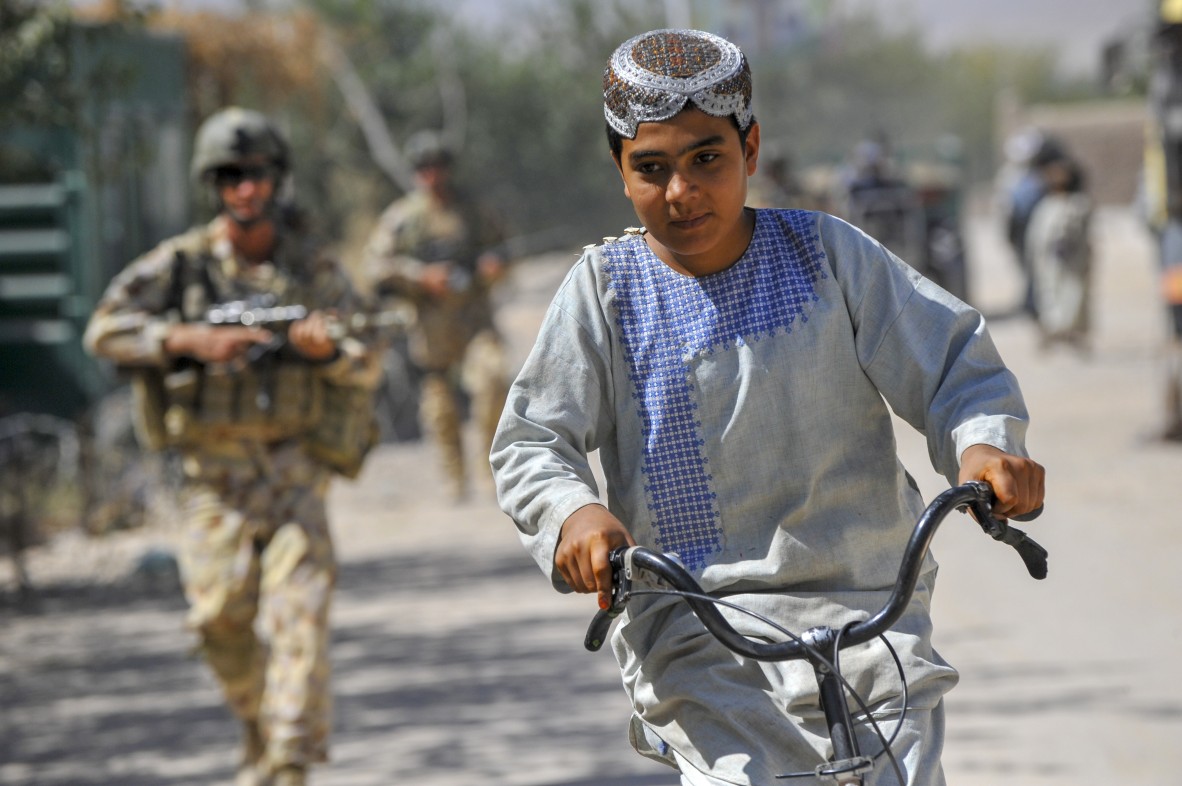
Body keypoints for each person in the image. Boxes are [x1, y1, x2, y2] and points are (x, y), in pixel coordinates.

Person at [490, 29, 1046, 786]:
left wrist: (983, 445)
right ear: (620, 170)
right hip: (701, 635)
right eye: (652, 168)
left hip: (869, 614)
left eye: (706, 159)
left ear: (750, 149)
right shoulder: (603, 292)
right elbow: (530, 442)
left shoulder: (830, 255)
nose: (681, 191)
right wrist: (572, 516)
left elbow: (953, 366)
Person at [84, 107, 381, 786]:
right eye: (230, 177)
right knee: (218, 621)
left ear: (277, 179)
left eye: (257, 175)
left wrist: (327, 351)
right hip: (213, 483)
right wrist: (186, 340)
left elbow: (369, 356)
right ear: (212, 185)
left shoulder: (313, 268)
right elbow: (103, 331)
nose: (245, 189)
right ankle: (256, 724)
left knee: (300, 630)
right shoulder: (182, 266)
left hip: (295, 478)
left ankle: (285, 764)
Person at [362, 130, 511, 500]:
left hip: (474, 319)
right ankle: (454, 480)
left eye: (437, 166)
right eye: (424, 168)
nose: (432, 175)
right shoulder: (402, 218)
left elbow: (502, 251)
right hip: (430, 328)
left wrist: (493, 268)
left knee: (493, 378)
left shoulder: (472, 211)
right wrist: (421, 277)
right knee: (439, 407)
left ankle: (489, 464)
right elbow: (375, 266)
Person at [1025, 155, 1093, 351]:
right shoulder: (1044, 205)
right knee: (1048, 294)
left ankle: (1073, 334)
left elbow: (1079, 232)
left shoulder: (1079, 203)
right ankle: (1052, 331)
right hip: (1048, 263)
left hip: (1074, 263)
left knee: (1074, 295)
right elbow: (1036, 237)